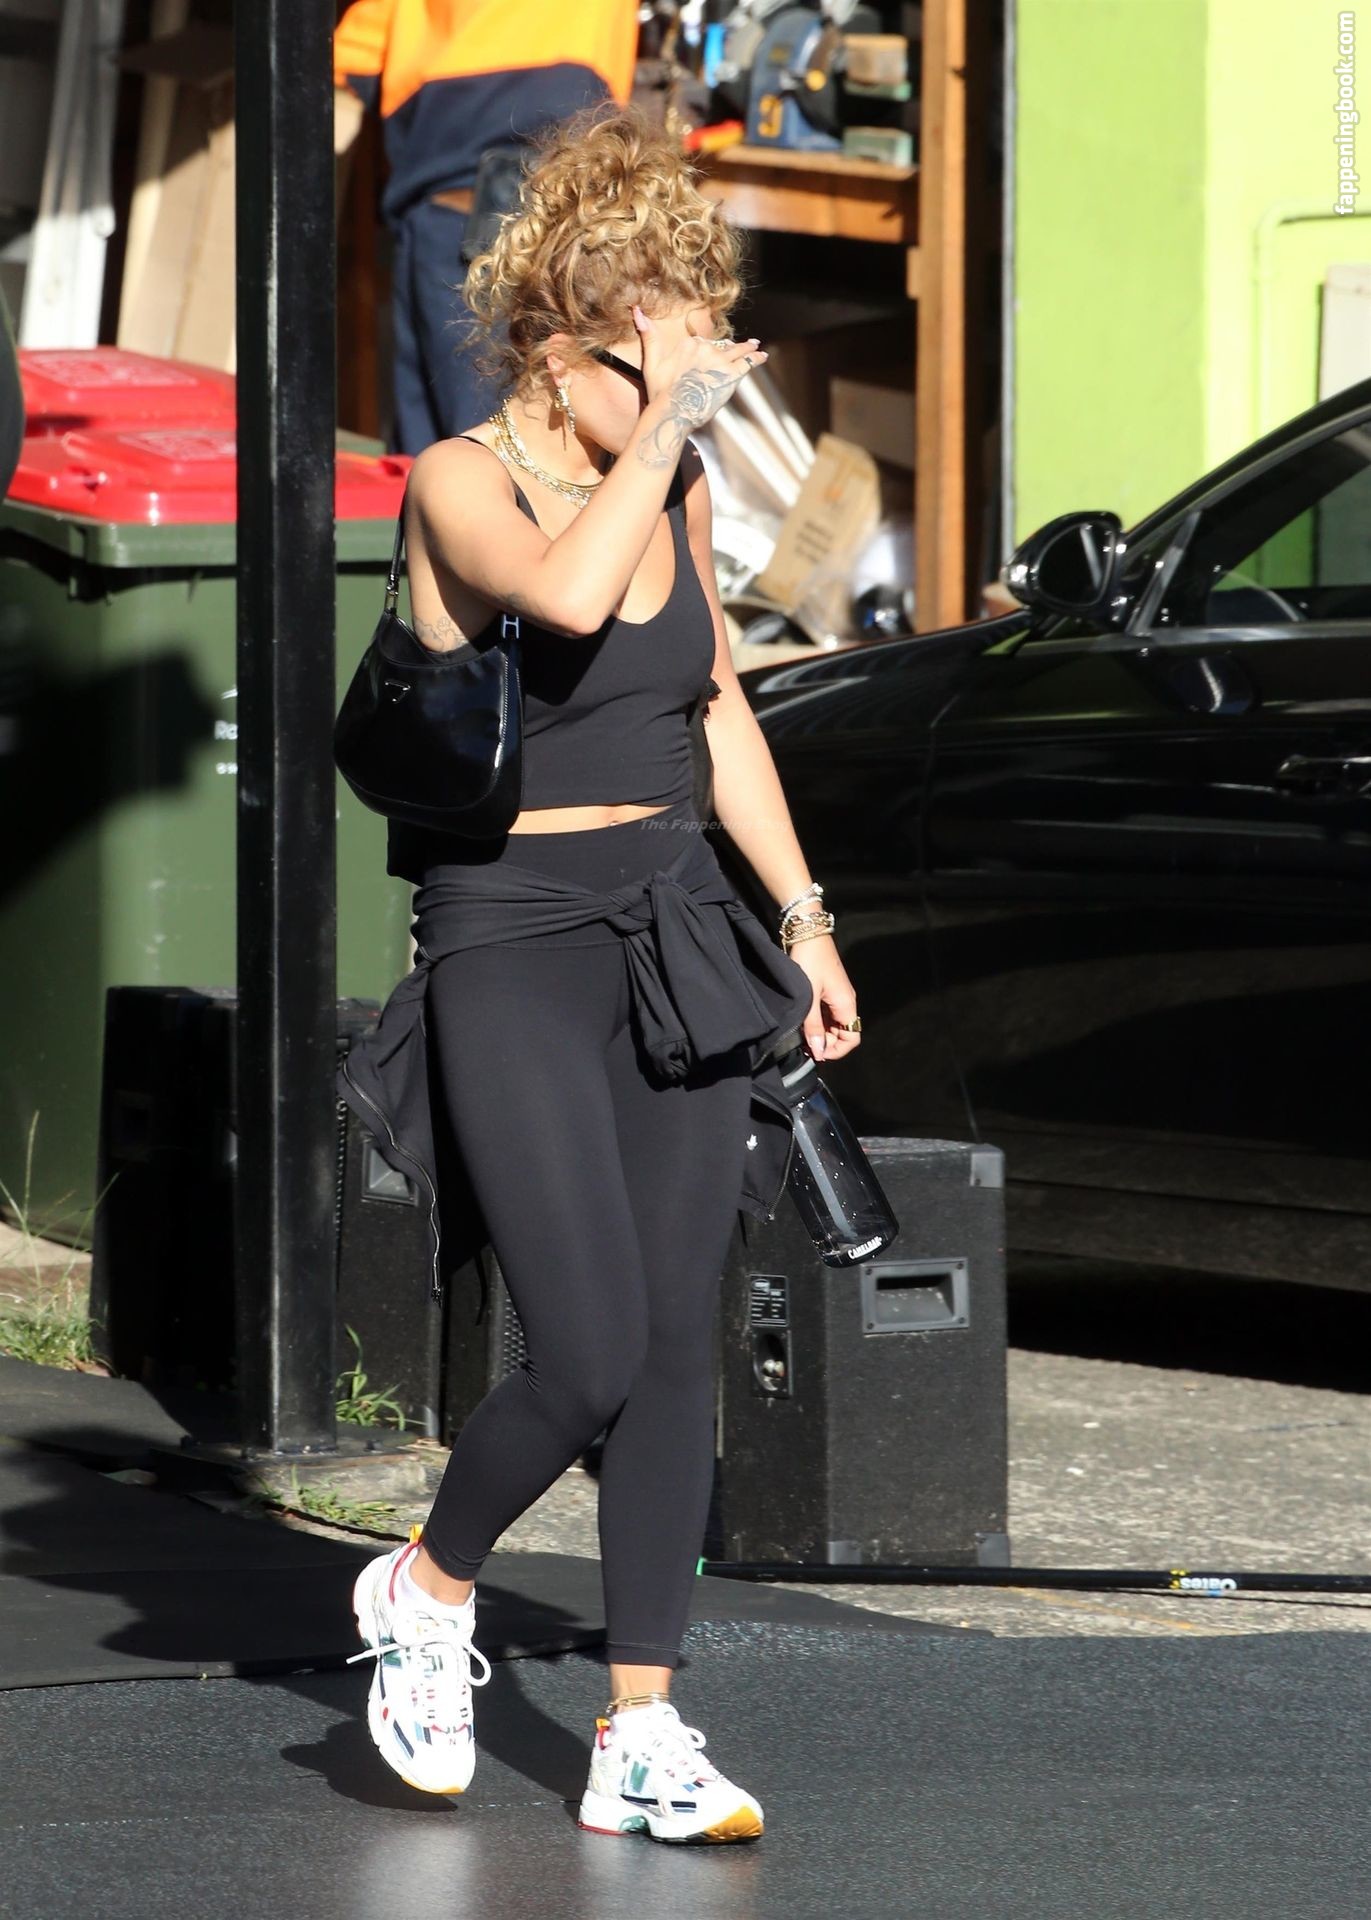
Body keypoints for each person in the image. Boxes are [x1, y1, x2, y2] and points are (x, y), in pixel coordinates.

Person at [340, 101, 862, 1844]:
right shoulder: (459, 483)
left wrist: (802, 919)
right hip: (511, 939)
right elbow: (563, 604)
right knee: (578, 1347)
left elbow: (715, 709)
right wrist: (664, 438)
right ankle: (425, 1586)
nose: (688, 398)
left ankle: (642, 1721)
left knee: (668, 1349)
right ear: (560, 354)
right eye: (659, 364)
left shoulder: (674, 479)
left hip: (676, 923)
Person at [332, 0, 638, 452]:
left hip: (456, 212)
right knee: (506, 456)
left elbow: (348, 61)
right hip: (532, 213)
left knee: (451, 456)